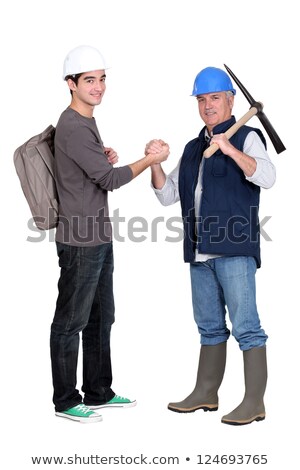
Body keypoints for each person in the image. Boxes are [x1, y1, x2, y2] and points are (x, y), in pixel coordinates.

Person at [147, 66, 276, 426]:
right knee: (209, 327)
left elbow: (267, 176)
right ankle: (206, 393)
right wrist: (156, 165)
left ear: (231, 100)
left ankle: (254, 403)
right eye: (202, 100)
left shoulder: (248, 137)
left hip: (234, 250)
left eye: (214, 98)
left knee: (247, 326)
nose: (207, 106)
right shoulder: (192, 149)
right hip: (198, 253)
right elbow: (167, 194)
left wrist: (230, 149)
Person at [51, 45, 169, 423]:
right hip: (80, 242)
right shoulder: (72, 123)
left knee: (103, 318)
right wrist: (149, 160)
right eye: (89, 80)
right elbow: (109, 180)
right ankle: (67, 401)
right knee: (71, 322)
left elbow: (90, 170)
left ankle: (99, 391)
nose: (99, 86)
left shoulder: (85, 122)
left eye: (102, 79)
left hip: (99, 237)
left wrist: (102, 155)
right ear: (71, 84)